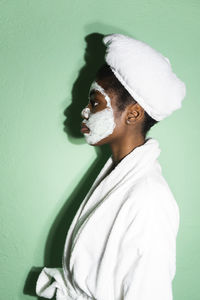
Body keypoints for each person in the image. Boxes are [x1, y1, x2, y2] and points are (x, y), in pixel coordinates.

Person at [35, 33, 186, 300]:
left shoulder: (149, 199)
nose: (84, 111)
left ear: (134, 114)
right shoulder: (119, 178)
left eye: (95, 102)